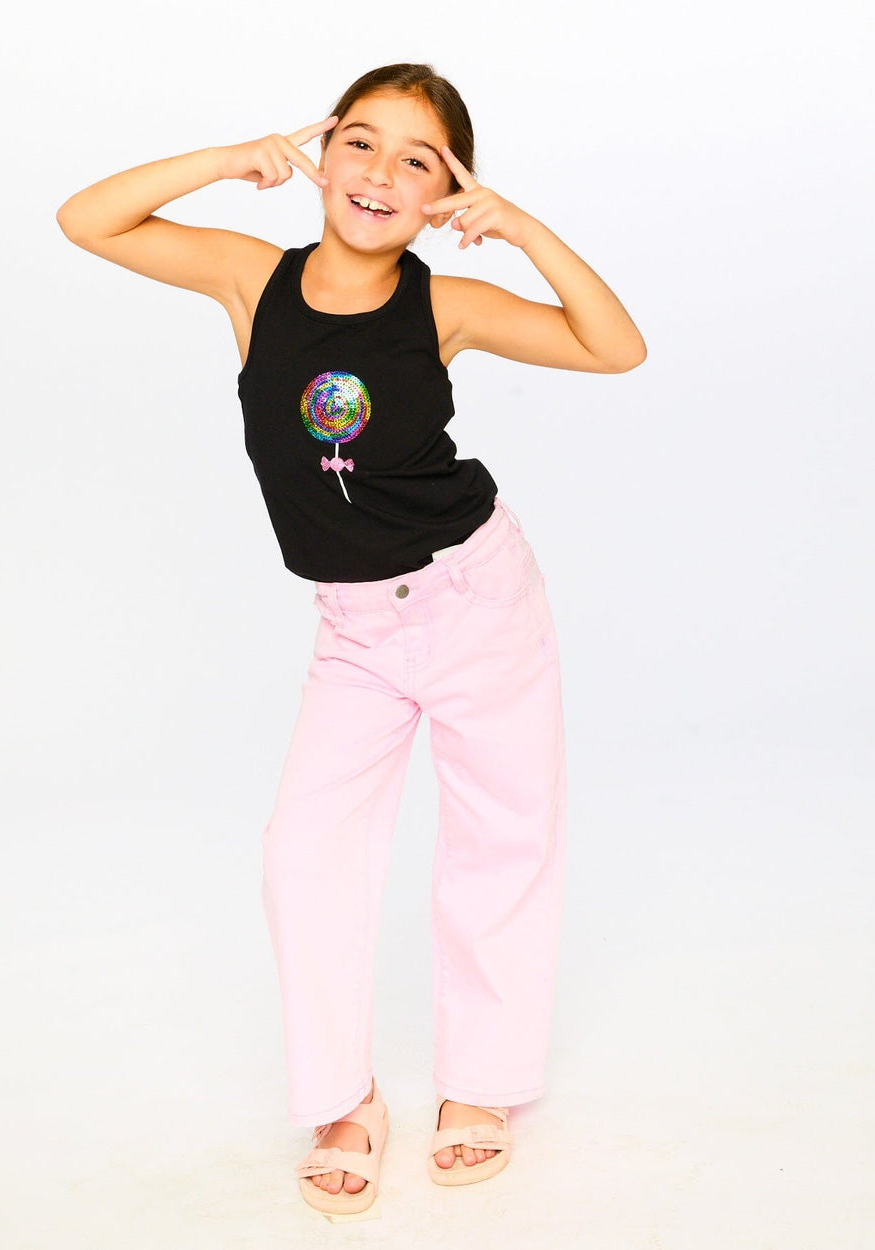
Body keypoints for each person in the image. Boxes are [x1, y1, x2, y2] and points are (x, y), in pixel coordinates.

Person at [56, 62, 646, 1217]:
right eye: (360, 142)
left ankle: (480, 1083)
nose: (381, 173)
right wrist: (231, 158)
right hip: (355, 627)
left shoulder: (443, 304)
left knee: (500, 839)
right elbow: (88, 218)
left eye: (418, 160)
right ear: (321, 157)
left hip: (477, 599)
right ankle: (343, 1098)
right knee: (303, 851)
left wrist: (523, 229)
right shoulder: (250, 278)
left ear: (444, 194)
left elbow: (613, 346)